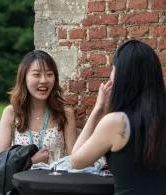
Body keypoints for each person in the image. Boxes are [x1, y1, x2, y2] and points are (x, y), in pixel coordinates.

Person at [71, 40, 166, 194]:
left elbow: (76, 160)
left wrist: (98, 110)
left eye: (113, 69)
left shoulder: (117, 122)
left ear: (122, 76)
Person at [0, 50, 77, 164]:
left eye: (49, 74)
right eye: (36, 75)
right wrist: (31, 161)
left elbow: (74, 160)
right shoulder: (11, 113)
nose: (43, 80)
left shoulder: (65, 113)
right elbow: (0, 162)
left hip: (56, 179)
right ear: (24, 78)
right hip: (22, 181)